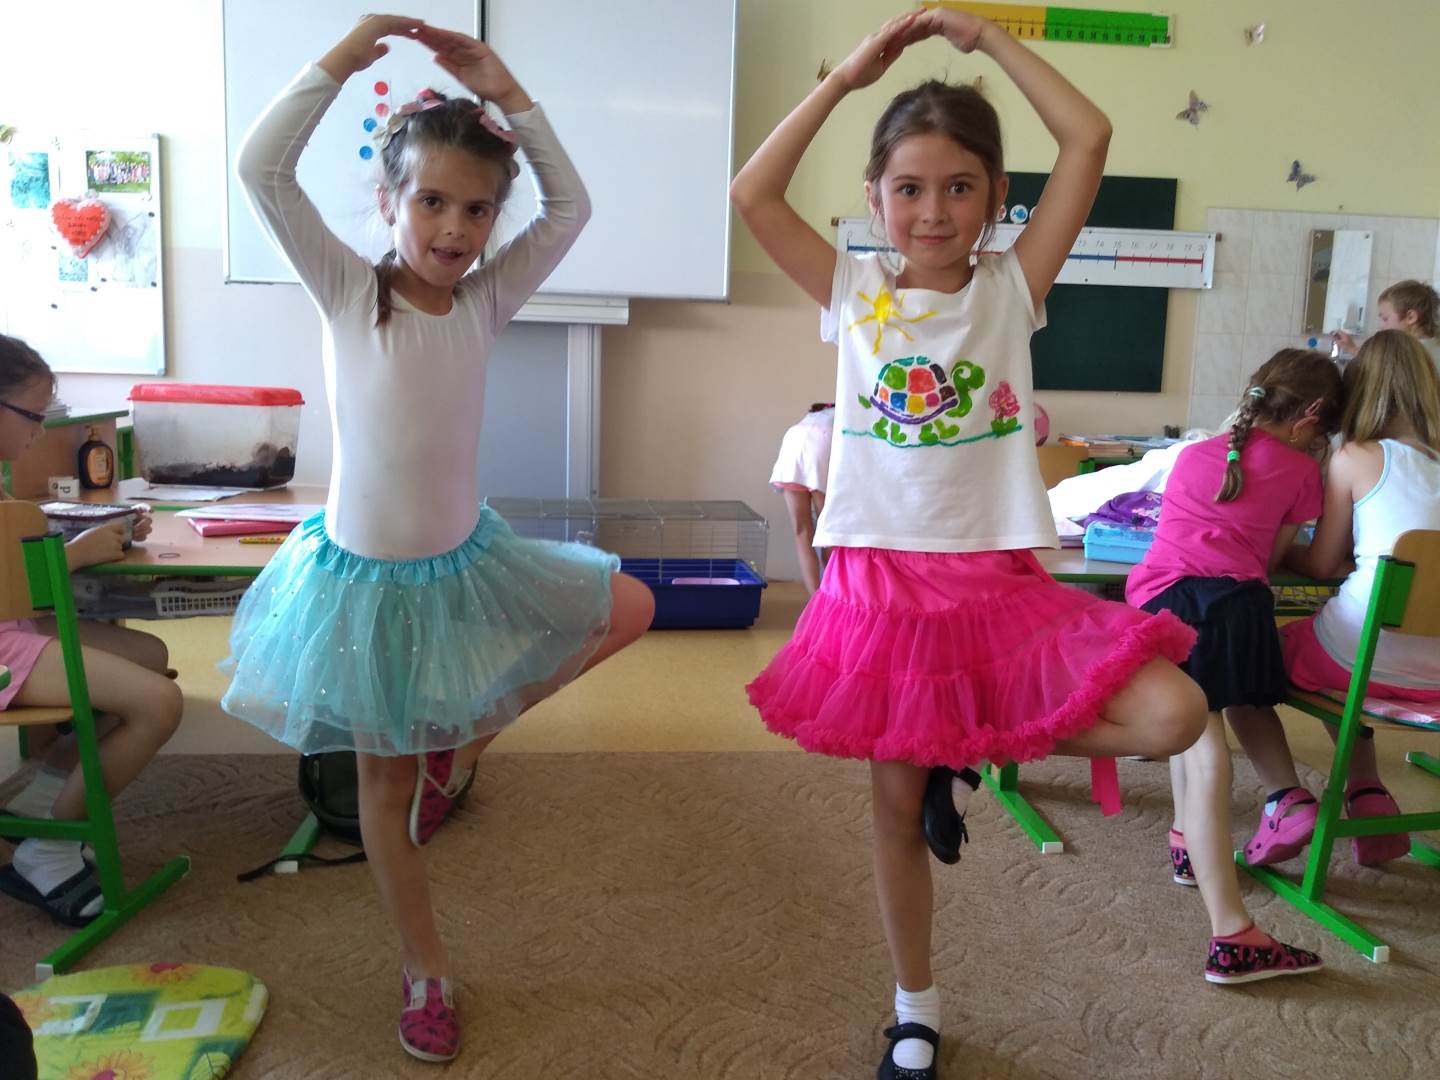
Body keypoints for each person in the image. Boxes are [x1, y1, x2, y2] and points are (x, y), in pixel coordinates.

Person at [731, 10, 1205, 1077]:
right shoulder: (853, 288)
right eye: (908, 187)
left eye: (959, 187)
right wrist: (846, 78)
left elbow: (1088, 137)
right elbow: (753, 193)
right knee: (896, 808)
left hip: (995, 582)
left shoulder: (1013, 287)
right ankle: (915, 1008)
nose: (933, 210)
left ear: (997, 199)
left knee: (1174, 714)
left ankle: (970, 745)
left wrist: (987, 38)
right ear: (875, 198)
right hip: (880, 588)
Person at [223, 17, 653, 1063]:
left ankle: (461, 740)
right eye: (431, 202)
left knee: (632, 605)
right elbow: (259, 168)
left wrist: (507, 89)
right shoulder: (348, 292)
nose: (455, 228)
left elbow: (573, 204)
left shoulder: (487, 299)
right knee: (381, 791)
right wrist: (345, 55)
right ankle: (425, 970)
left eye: (477, 208)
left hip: (464, 559)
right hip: (364, 583)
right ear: (389, 201)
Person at [1127, 349, 1341, 984]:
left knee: (1193, 736)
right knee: (1202, 743)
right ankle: (1228, 924)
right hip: (1237, 608)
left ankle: (1193, 859)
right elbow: (1270, 558)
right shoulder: (1302, 471)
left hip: (1163, 601)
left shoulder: (1195, 454)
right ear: (1311, 416)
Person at [1227, 330, 1440, 869]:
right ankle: (1366, 794)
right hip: (1436, 676)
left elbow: (1322, 565)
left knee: (1243, 661)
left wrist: (1283, 549)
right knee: (1344, 656)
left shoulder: (1356, 457)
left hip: (1369, 659)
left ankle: (1284, 799)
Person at [0, 334, 183, 927]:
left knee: (148, 654)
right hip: (3, 647)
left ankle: (42, 801)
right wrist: (76, 554)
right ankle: (49, 847)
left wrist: (98, 534)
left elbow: (17, 557)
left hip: (13, 627)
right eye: (33, 416)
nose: (40, 432)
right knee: (158, 704)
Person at [769, 402, 834, 594]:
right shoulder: (844, 416)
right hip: (823, 444)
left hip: (793, 443)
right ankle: (828, 595)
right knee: (827, 532)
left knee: (802, 530)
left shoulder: (815, 416)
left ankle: (815, 597)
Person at [1331, 279, 1440, 372]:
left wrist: (1352, 349)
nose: (1381, 326)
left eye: (1385, 319)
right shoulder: (1430, 346)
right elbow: (1381, 362)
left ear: (1410, 317)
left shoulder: (1412, 354)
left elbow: (1383, 367)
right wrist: (1351, 348)